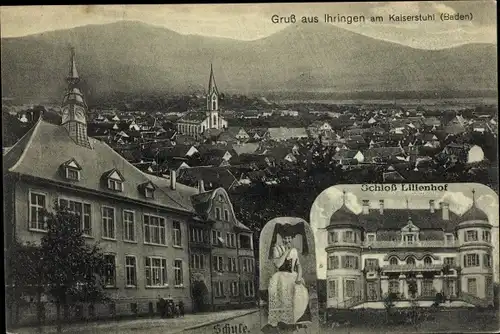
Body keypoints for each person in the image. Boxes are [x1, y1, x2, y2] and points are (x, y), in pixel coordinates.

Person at [266, 222, 312, 331]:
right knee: (283, 294)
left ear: (291, 239)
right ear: (282, 239)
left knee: (301, 292)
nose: (287, 240)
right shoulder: (277, 249)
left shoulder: (294, 251)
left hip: (293, 275)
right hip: (280, 276)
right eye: (285, 238)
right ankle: (282, 321)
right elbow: (277, 264)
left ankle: (297, 319)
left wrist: (299, 277)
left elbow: (298, 265)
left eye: (289, 238)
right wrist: (286, 251)